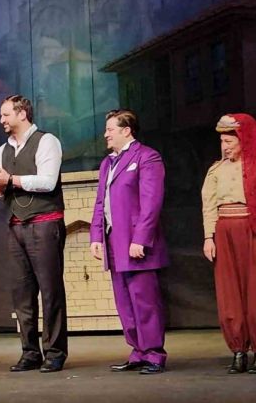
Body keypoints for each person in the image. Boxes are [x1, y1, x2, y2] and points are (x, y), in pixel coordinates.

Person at [0, 94, 68, 373]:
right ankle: (30, 352)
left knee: (50, 290)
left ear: (22, 114)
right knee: (22, 293)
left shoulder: (46, 141)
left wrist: (11, 179)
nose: (1, 120)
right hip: (16, 225)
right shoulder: (3, 149)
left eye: (6, 114)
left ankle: (55, 352)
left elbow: (48, 181)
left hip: (44, 224)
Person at [201, 113, 256, 374]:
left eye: (230, 141)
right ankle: (238, 351)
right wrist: (209, 237)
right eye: (222, 141)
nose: (225, 146)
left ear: (244, 140)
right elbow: (209, 205)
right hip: (225, 232)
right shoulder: (216, 170)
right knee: (229, 291)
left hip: (254, 230)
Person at [90, 109, 168, 375]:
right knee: (124, 301)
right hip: (114, 241)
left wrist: (141, 239)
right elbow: (100, 202)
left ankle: (154, 354)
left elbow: (151, 202)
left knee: (144, 300)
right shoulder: (107, 163)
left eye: (110, 129)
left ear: (126, 131)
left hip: (136, 242)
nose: (106, 134)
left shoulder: (147, 156)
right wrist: (96, 236)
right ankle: (137, 351)